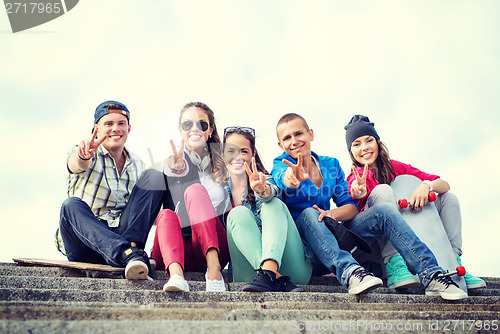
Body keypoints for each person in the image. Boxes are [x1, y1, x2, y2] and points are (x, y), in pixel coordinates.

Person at [271, 113, 468, 300]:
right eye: (287, 138)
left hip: (330, 238)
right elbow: (282, 178)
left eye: (298, 133)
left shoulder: (330, 164)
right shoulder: (281, 165)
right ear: (280, 144)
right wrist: (291, 178)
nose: (294, 141)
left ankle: (431, 274)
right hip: (304, 250)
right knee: (309, 214)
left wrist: (331, 213)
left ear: (310, 134)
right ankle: (351, 273)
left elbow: (351, 208)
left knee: (384, 211)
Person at [345, 114, 485, 290]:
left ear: (378, 143)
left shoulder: (394, 167)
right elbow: (355, 189)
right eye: (356, 144)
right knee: (383, 191)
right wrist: (359, 191)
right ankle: (394, 264)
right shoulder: (354, 176)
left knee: (449, 198)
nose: (364, 148)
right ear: (351, 152)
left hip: (406, 239)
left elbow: (444, 184)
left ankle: (454, 263)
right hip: (372, 247)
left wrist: (426, 185)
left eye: (369, 140)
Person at [56, 100, 155, 280]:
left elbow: (143, 209)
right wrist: (82, 156)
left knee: (154, 176)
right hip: (85, 241)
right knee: (70, 205)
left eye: (121, 123)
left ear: (129, 128)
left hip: (121, 233)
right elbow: (75, 163)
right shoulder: (86, 151)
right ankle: (128, 254)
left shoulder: (137, 164)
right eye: (108, 124)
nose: (115, 128)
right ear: (96, 129)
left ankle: (132, 252)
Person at [150, 102, 230, 292]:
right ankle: (176, 276)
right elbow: (151, 215)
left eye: (202, 124)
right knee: (166, 215)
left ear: (210, 129)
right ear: (180, 130)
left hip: (212, 249)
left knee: (196, 191)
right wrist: (177, 168)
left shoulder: (226, 165)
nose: (195, 129)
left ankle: (214, 271)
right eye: (188, 125)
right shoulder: (172, 164)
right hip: (174, 249)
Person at [223, 126, 312, 292]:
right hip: (248, 274)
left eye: (243, 151)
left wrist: (262, 191)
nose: (237, 156)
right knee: (238, 213)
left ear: (252, 156)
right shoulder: (217, 193)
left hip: (292, 271)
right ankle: (272, 275)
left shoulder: (267, 179)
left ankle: (270, 271)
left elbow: (271, 192)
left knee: (273, 203)